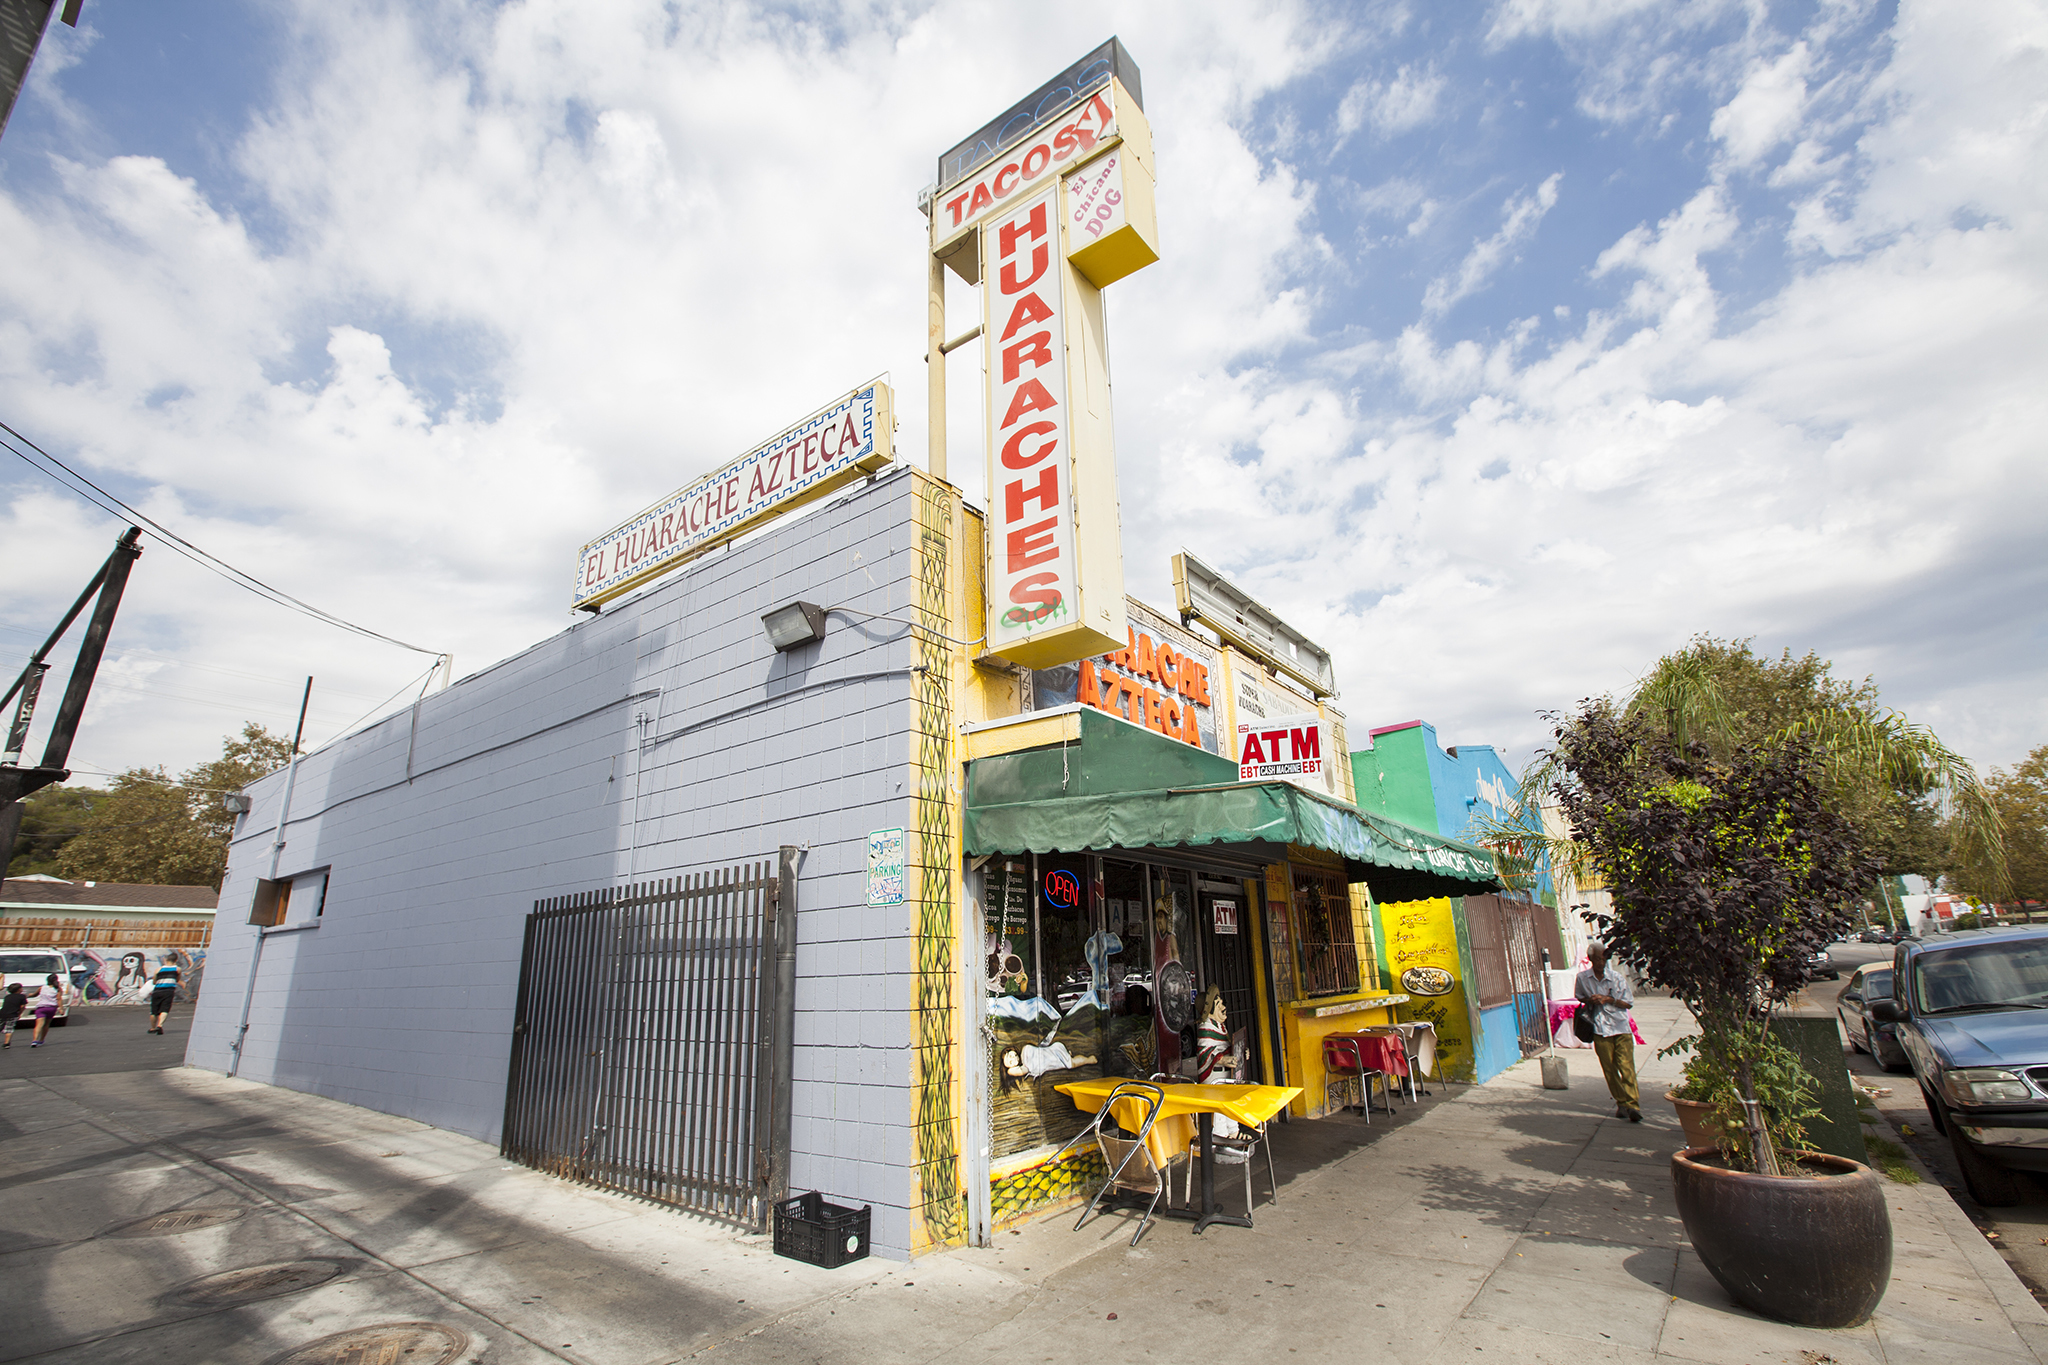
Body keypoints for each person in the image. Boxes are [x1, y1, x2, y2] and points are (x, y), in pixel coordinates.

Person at [1576, 943, 1639, 1121]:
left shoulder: (1616, 978)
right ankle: (1622, 1103)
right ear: (1591, 959)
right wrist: (1591, 1000)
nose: (1601, 963)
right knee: (1609, 1068)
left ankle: (1633, 1104)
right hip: (1600, 1028)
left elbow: (1628, 1002)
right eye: (1597, 959)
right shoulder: (1582, 978)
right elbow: (1579, 996)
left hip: (1620, 1026)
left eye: (1604, 959)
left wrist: (1608, 1000)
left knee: (1626, 1067)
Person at [30, 973, 65, 1047]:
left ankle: (34, 1040)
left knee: (39, 1025)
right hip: (51, 1008)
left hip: (41, 1008)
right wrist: (61, 1008)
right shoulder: (58, 989)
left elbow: (35, 995)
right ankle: (41, 1040)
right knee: (46, 1024)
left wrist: (30, 995)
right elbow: (59, 999)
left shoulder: (42, 988)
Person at [148, 957, 182, 1035]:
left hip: (157, 991)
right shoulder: (177, 969)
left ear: (166, 960)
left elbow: (154, 981)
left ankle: (152, 1028)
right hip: (169, 991)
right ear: (175, 960)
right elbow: (177, 980)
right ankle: (160, 1025)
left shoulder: (159, 969)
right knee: (165, 1009)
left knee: (154, 1011)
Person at [0, 981, 25, 1049]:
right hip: (12, 1014)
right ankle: (7, 1043)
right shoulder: (22, 997)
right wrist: (19, 1014)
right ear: (19, 989)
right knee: (9, 1028)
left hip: (2, 1013)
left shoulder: (7, 997)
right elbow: (22, 1006)